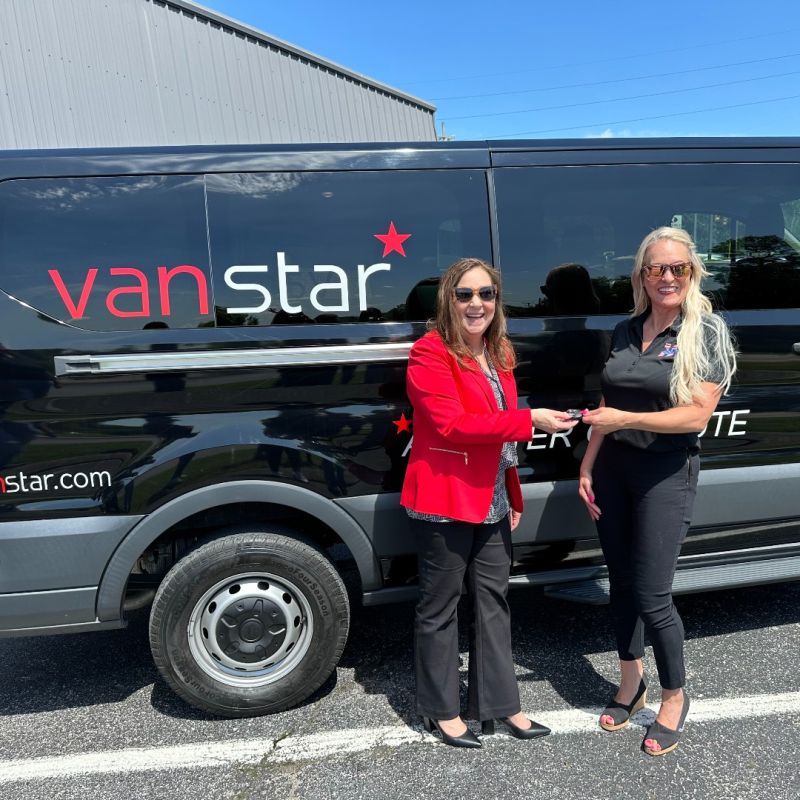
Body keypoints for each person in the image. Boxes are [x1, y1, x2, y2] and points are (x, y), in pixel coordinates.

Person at [400, 256, 578, 748]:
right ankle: (442, 711)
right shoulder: (429, 353)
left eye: (486, 294)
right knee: (440, 607)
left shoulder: (498, 351)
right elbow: (451, 425)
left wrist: (513, 490)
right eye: (465, 294)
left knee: (494, 602)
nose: (476, 303)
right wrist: (530, 419)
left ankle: (501, 707)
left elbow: (501, 442)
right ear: (448, 301)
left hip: (493, 498)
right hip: (444, 498)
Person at [578, 227, 737, 756]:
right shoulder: (627, 328)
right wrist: (587, 465)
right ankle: (631, 681)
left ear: (692, 274)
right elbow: (608, 399)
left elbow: (696, 414)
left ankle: (674, 693)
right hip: (613, 472)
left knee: (652, 593)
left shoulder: (704, 331)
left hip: (665, 473)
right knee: (620, 585)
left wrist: (625, 417)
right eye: (656, 269)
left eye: (678, 268)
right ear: (641, 276)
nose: (667, 277)